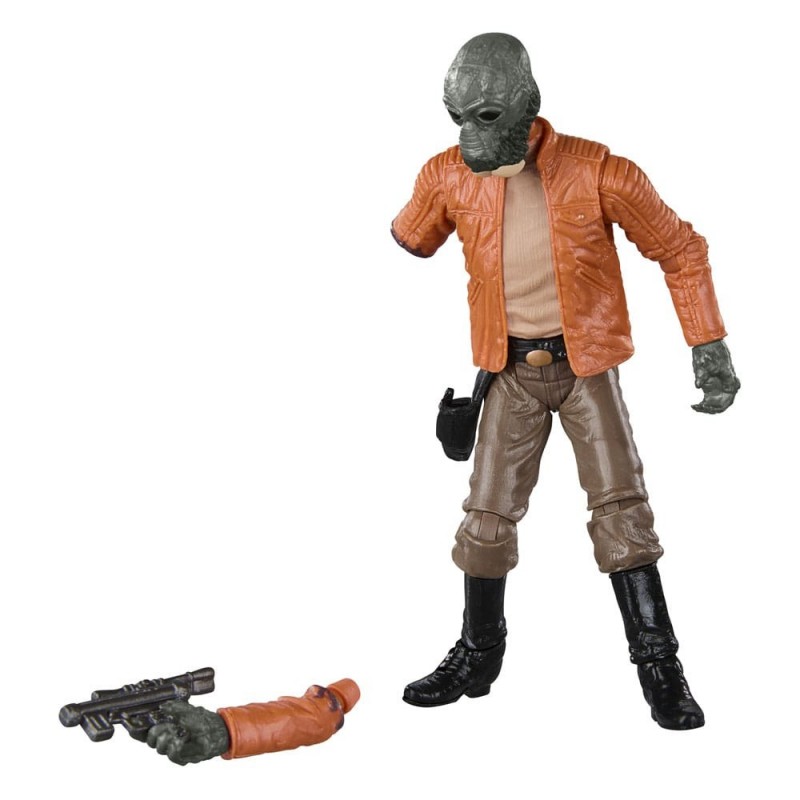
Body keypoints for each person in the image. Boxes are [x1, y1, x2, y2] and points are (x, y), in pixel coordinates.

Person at [391, 32, 739, 730]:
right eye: (457, 117)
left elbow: (680, 248)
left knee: (623, 515)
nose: (470, 137)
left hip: (585, 367)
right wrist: (436, 189)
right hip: (508, 370)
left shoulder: (598, 170)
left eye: (487, 117)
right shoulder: (448, 174)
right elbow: (413, 235)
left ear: (529, 103)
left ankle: (660, 667)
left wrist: (708, 346)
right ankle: (477, 656)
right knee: (485, 520)